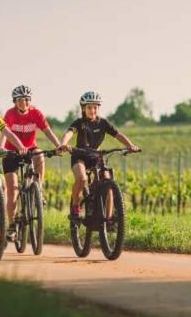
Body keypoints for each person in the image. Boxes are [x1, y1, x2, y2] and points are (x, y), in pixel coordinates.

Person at [59, 91, 138, 221]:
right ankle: (75, 206)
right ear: (83, 109)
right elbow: (69, 133)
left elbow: (118, 134)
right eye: (89, 107)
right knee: (82, 178)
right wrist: (63, 144)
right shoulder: (79, 123)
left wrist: (130, 146)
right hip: (80, 156)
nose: (93, 110)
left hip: (95, 156)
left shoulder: (103, 123)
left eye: (95, 107)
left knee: (108, 183)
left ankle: (108, 220)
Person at [0, 85, 65, 241]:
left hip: (30, 149)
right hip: (11, 152)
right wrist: (1, 147)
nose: (24, 103)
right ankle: (12, 225)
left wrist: (58, 145)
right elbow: (4, 132)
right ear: (15, 101)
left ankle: (38, 188)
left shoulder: (36, 113)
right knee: (12, 190)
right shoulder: (9, 114)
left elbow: (47, 130)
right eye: (20, 100)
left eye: (27, 99)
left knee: (40, 155)